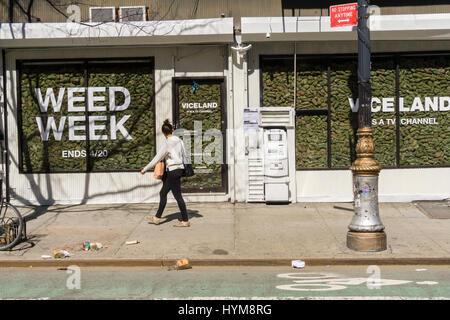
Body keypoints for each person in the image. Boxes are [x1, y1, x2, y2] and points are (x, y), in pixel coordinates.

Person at [141, 119, 190, 227]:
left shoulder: (168, 143)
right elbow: (185, 155)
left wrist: (145, 169)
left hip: (173, 170)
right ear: (172, 130)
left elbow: (157, 158)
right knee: (163, 193)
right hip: (177, 170)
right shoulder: (179, 140)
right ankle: (157, 218)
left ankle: (185, 220)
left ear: (163, 133)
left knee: (178, 196)